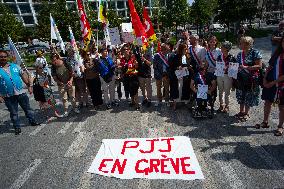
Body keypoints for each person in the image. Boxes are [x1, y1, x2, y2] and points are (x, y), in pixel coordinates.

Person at [0, 50, 40, 135]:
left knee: (27, 109)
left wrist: (30, 85)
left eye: (4, 56)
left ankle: (32, 121)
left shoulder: (15, 66)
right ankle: (17, 127)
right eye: (1, 57)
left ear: (7, 57)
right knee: (14, 113)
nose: (3, 58)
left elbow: (24, 77)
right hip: (8, 96)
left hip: (21, 93)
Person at [256, 36, 284, 136]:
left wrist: (273, 82)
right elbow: (269, 67)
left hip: (281, 85)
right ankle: (265, 121)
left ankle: (280, 126)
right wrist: (264, 78)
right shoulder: (277, 54)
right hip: (270, 81)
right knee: (267, 102)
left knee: (281, 107)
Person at [235, 36, 263, 121]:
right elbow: (237, 65)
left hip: (251, 79)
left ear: (247, 44)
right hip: (241, 78)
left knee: (249, 95)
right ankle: (241, 111)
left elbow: (259, 66)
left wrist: (246, 67)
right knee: (240, 94)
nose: (240, 44)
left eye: (241, 43)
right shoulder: (240, 54)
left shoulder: (255, 53)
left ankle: (246, 113)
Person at [169, 43, 193, 110]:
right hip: (178, 76)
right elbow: (171, 66)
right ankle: (175, 103)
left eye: (186, 48)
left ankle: (185, 102)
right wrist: (177, 67)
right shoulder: (175, 56)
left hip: (186, 75)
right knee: (177, 89)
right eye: (184, 49)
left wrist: (190, 67)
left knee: (185, 88)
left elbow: (191, 64)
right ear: (181, 49)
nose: (186, 50)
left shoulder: (188, 56)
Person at [216, 41, 236, 113]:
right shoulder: (219, 56)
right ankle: (221, 105)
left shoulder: (232, 57)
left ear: (226, 48)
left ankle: (227, 106)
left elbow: (234, 69)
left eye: (222, 47)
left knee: (227, 92)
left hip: (228, 76)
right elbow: (217, 65)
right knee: (220, 91)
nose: (221, 48)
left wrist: (228, 68)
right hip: (220, 75)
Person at [121, 44, 140, 110]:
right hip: (127, 78)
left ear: (129, 50)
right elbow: (122, 68)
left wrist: (136, 64)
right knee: (130, 90)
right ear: (123, 51)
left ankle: (137, 104)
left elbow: (136, 67)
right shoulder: (122, 59)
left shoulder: (133, 58)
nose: (126, 51)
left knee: (135, 91)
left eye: (127, 49)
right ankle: (132, 101)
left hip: (133, 77)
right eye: (124, 50)